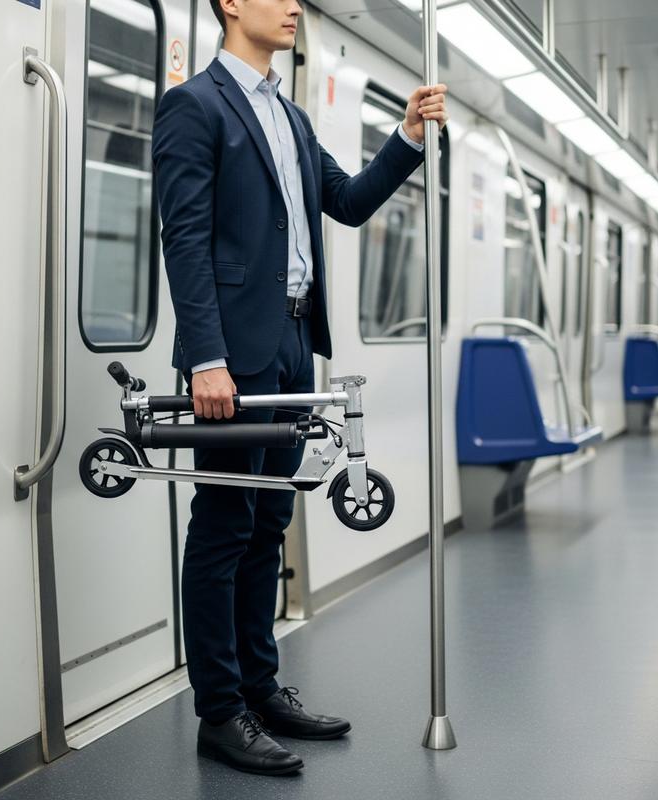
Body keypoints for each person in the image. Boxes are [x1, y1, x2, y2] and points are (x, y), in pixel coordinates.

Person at [151, 0, 448, 777]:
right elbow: (182, 235)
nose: (290, 6)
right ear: (229, 4)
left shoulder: (289, 116)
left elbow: (346, 204)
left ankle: (260, 684)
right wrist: (205, 357)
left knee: (269, 519)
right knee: (224, 522)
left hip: (290, 343)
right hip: (234, 354)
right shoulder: (195, 105)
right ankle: (220, 711)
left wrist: (408, 137)